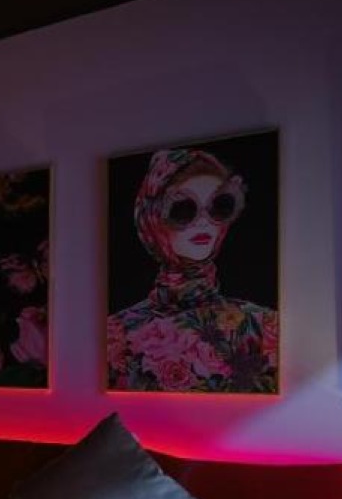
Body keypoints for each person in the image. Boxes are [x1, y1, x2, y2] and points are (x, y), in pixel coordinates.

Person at [106, 147, 278, 393]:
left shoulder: (262, 325)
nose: (204, 222)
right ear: (152, 220)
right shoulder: (116, 332)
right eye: (183, 209)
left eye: (219, 206)